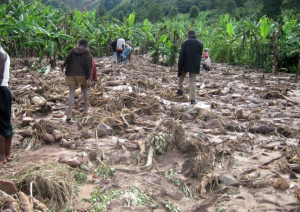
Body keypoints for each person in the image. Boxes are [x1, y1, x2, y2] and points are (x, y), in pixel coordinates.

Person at [62, 39, 92, 122]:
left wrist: (63, 67)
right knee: (85, 90)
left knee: (71, 93)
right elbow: (88, 65)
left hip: (70, 73)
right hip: (81, 74)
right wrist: (88, 77)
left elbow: (66, 60)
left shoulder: (72, 51)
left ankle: (69, 114)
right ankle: (85, 111)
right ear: (86, 45)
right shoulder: (87, 53)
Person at [177, 30, 203, 104]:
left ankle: (180, 91)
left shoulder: (185, 42)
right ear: (195, 35)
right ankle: (192, 99)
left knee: (180, 78)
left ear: (188, 35)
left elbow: (181, 55)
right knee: (192, 81)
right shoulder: (200, 43)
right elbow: (200, 55)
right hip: (195, 65)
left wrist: (180, 66)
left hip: (185, 64)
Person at [0, 44, 13, 163]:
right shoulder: (3, 53)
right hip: (4, 89)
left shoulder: (1, 54)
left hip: (1, 89)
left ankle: (2, 156)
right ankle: (7, 155)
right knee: (5, 122)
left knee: (1, 124)